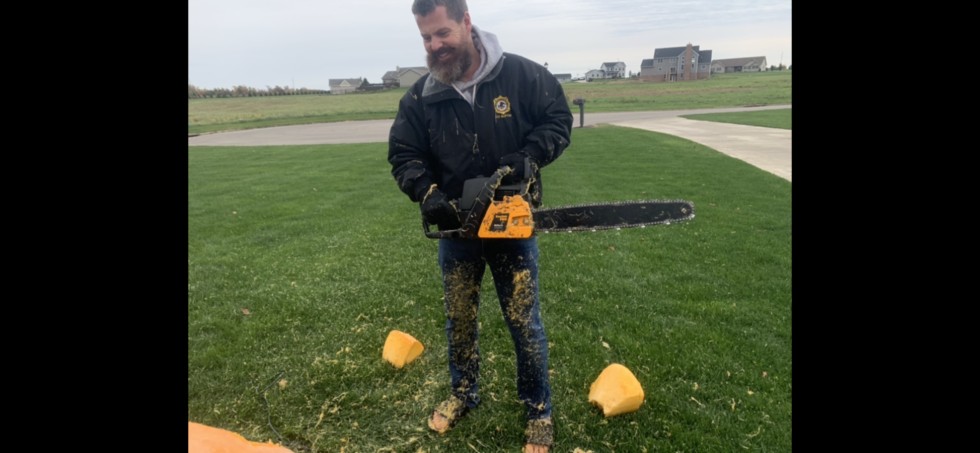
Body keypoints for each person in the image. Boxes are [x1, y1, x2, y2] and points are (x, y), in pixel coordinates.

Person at [387, 1, 572, 451]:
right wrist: (427, 192)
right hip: (458, 230)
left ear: (466, 23)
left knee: (524, 321)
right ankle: (463, 393)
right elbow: (404, 154)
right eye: (426, 37)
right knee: (460, 319)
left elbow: (557, 120)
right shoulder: (421, 96)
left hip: (512, 223)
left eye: (443, 33)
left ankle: (538, 409)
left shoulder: (522, 76)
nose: (435, 45)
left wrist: (529, 156)